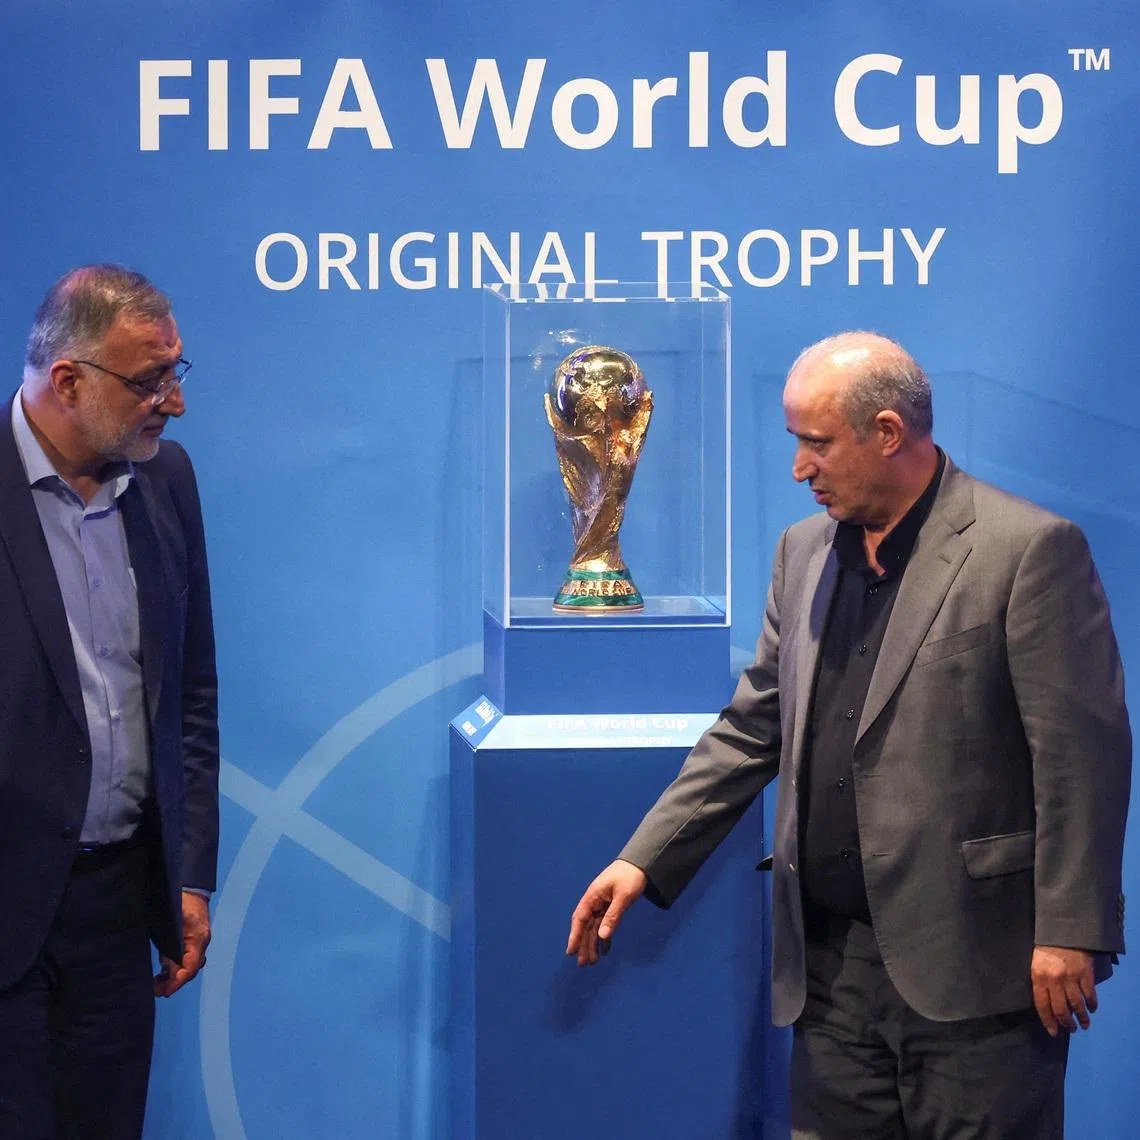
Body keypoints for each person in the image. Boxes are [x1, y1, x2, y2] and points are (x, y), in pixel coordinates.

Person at [567, 331, 1130, 1138]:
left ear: (889, 433)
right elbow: (754, 724)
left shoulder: (1027, 551)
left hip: (978, 973)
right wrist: (643, 856)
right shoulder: (802, 553)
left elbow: (1082, 760)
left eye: (816, 444)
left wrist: (1072, 929)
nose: (800, 468)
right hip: (828, 977)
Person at [0, 265, 220, 1139]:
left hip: (117, 912)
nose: (173, 402)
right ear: (67, 381)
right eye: (150, 381)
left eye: (177, 373)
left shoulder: (168, 483)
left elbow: (191, 698)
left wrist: (190, 875)